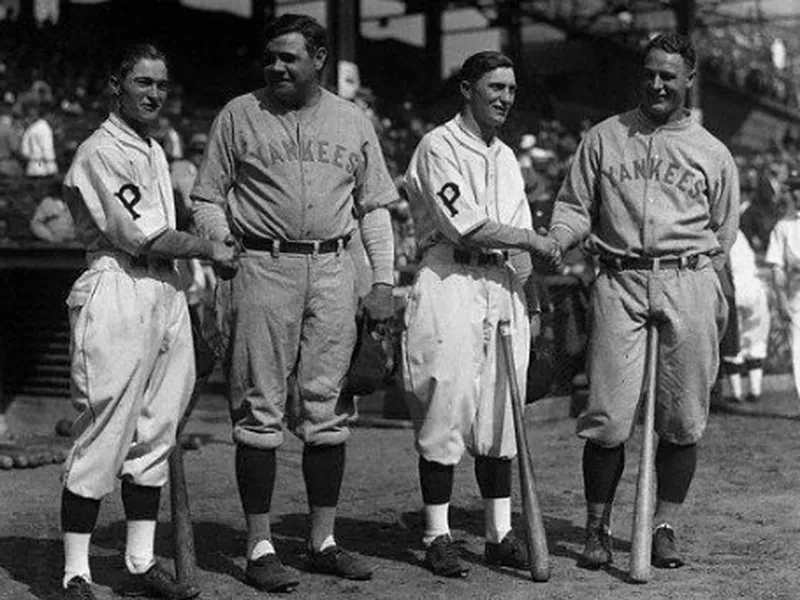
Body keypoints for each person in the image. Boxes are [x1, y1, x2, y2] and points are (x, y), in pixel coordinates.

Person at [191, 14, 397, 593]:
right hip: (263, 264)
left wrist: (382, 281)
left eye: (290, 57)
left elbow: (374, 206)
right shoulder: (240, 113)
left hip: (333, 267)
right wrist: (222, 242)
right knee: (259, 410)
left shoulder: (352, 118)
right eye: (270, 57)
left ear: (320, 59)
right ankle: (258, 546)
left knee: (327, 411)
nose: (277, 67)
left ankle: (322, 541)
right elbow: (207, 196)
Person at [547, 32, 739, 571]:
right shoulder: (605, 137)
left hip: (688, 281)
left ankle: (663, 526)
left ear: (688, 81)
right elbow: (574, 206)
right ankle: (597, 525)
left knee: (682, 420)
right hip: (620, 279)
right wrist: (559, 239)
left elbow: (724, 230)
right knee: (608, 418)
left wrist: (699, 279)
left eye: (668, 77)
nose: (657, 84)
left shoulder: (712, 151)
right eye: (650, 73)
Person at [59, 42, 237, 600]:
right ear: (117, 85)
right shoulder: (100, 148)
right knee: (105, 427)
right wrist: (212, 248)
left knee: (157, 430)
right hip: (117, 282)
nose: (154, 93)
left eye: (161, 84)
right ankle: (76, 572)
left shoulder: (155, 148)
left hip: (164, 286)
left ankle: (139, 562)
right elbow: (144, 234)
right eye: (142, 83)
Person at [401, 50, 559, 578]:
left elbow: (513, 235)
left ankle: (499, 533)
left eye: (511, 89)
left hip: (502, 284)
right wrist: (533, 240)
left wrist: (531, 297)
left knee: (500, 412)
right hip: (451, 277)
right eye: (494, 87)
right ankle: (437, 534)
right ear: (466, 89)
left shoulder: (508, 156)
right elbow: (465, 227)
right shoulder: (438, 145)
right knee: (445, 403)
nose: (505, 98)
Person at [722, 194, 771, 404]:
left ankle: (737, 393)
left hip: (734, 291)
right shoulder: (741, 235)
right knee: (756, 339)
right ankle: (755, 390)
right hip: (754, 288)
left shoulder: (720, 235)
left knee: (733, 341)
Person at [765, 169, 800, 415]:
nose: (798, 193)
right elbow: (776, 267)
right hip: (796, 296)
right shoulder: (783, 228)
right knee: (799, 349)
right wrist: (781, 301)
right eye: (795, 189)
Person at [20, 102, 57, 178]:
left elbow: (24, 152)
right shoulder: (45, 128)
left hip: (31, 168)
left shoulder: (30, 129)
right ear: (49, 115)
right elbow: (47, 149)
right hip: (44, 169)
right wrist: (52, 168)